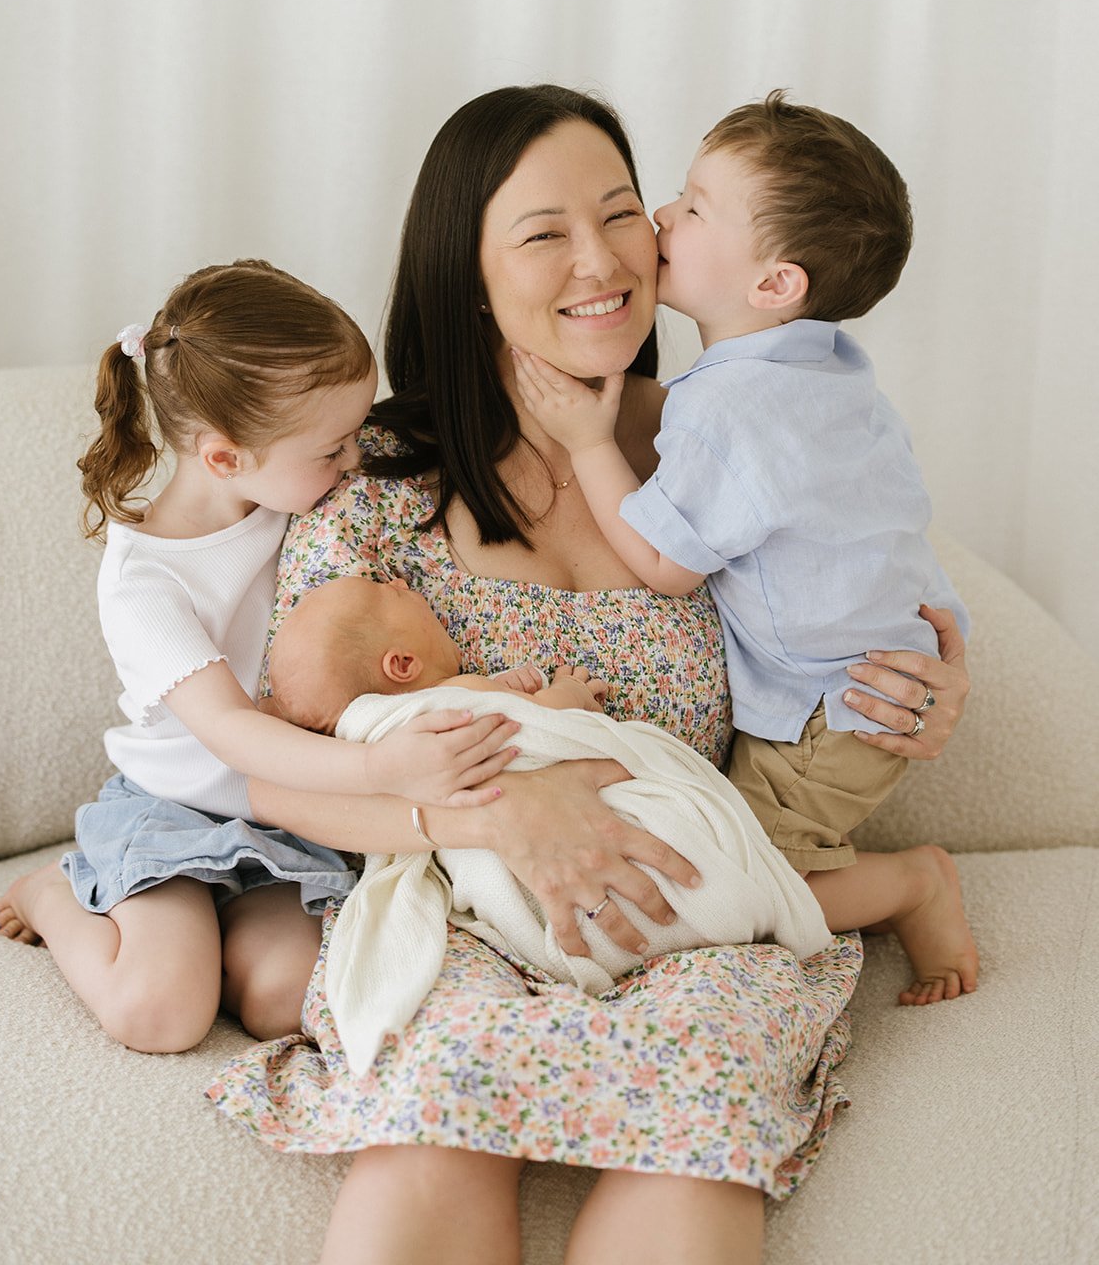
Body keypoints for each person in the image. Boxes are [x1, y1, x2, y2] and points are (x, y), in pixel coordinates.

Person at [204, 88, 971, 1265]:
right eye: (545, 232)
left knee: (692, 1139)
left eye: (623, 212)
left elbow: (868, 583)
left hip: (699, 924)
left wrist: (923, 685)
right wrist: (494, 805)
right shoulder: (377, 490)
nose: (606, 257)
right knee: (434, 1122)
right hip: (477, 920)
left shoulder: (731, 444)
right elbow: (279, 777)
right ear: (467, 270)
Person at [512, 90, 978, 1007]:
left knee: (742, 889)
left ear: (773, 285)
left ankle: (912, 885)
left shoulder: (727, 408)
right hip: (879, 675)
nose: (659, 218)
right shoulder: (831, 372)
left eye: (690, 207)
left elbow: (662, 565)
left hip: (828, 709)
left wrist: (588, 443)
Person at [0, 259, 517, 1054]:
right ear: (224, 457)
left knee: (281, 1002)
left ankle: (217, 930)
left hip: (281, 818)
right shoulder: (146, 582)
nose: (353, 462)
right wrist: (385, 771)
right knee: (160, 1015)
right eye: (332, 447)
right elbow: (233, 735)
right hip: (175, 807)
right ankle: (50, 896)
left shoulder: (294, 506)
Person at [266, 574, 832, 1074]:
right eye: (390, 593)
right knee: (717, 881)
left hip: (529, 921)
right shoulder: (454, 699)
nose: (402, 585)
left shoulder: (388, 723)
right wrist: (567, 694)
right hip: (548, 861)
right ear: (403, 664)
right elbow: (542, 724)